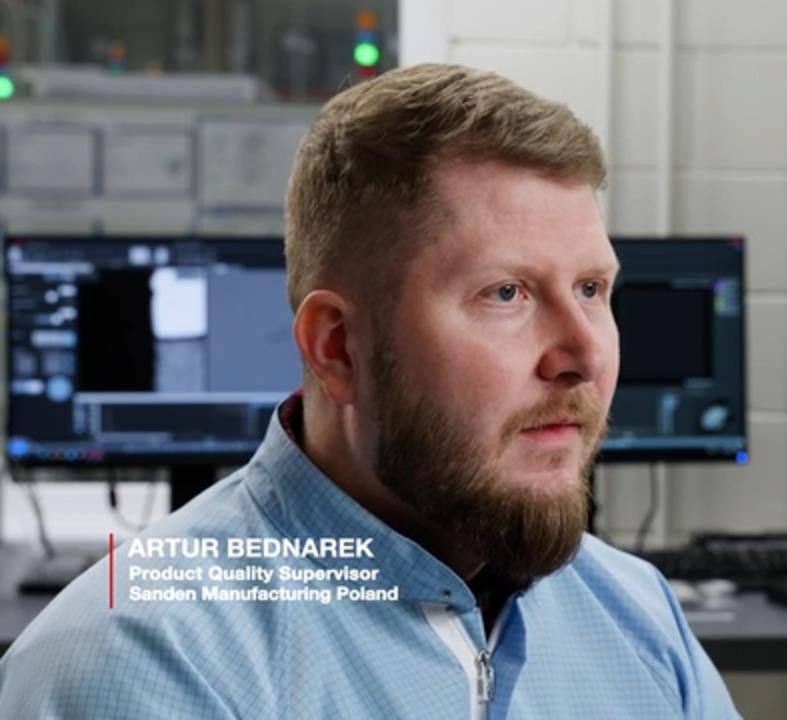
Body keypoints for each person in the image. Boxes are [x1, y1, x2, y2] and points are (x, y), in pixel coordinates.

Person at [0, 63, 739, 719]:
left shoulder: (635, 612)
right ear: (337, 347)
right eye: (506, 293)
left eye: (592, 289)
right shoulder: (145, 659)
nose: (586, 354)